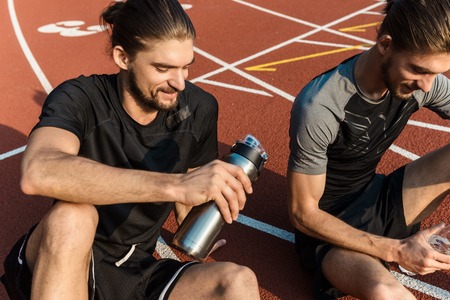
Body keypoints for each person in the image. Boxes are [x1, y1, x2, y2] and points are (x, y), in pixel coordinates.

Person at [0, 0, 260, 299]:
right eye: (163, 68)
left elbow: (190, 197)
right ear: (123, 57)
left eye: (186, 66)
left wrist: (200, 226)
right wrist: (175, 185)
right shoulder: (80, 98)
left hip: (134, 267)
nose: (179, 82)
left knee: (238, 281)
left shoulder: (199, 108)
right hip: (65, 254)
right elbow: (38, 172)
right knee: (72, 217)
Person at [287, 0, 450, 298]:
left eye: (436, 73)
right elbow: (302, 214)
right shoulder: (321, 105)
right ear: (385, 45)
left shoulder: (423, 83)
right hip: (331, 230)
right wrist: (398, 250)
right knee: (386, 294)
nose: (428, 86)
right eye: (418, 70)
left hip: (377, 197)